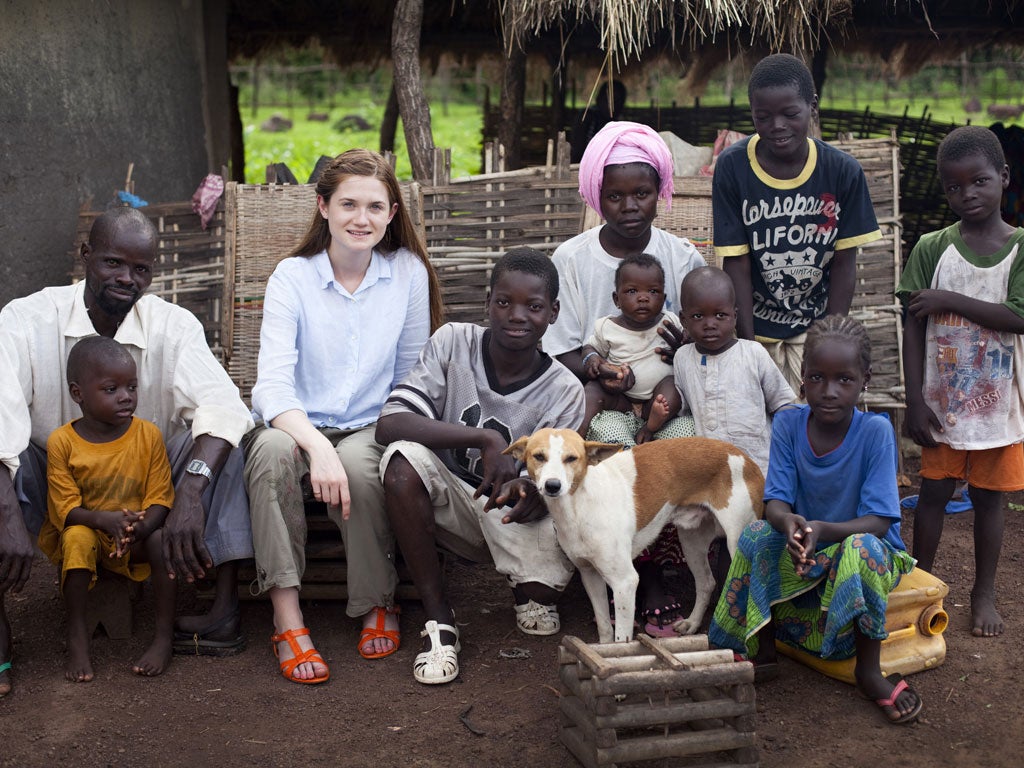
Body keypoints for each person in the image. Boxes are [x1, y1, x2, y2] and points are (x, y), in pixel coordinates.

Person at [0, 207, 254, 698]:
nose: (127, 279)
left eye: (141, 269)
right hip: (55, 481)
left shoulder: (172, 325)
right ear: (85, 256)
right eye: (114, 263)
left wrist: (193, 492)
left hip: (145, 484)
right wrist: (7, 511)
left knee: (223, 443)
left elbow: (224, 405)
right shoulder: (26, 319)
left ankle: (222, 608)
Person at [243, 148, 444, 683]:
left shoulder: (406, 273)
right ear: (323, 207)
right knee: (267, 455)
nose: (362, 218)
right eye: (349, 204)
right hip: (296, 421)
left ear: (392, 214)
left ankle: (378, 600)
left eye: (375, 207)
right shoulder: (293, 276)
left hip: (372, 423)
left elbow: (411, 376)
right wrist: (316, 445)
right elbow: (272, 387)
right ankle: (288, 618)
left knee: (360, 466)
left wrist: (343, 447)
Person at [376, 247, 585, 685]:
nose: (517, 315)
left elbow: (557, 485)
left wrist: (529, 493)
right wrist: (483, 438)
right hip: (454, 497)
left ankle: (524, 588)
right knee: (400, 463)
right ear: (487, 301)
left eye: (534, 306)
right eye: (504, 302)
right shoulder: (454, 342)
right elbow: (390, 423)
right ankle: (440, 620)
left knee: (540, 598)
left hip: (512, 517)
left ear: (554, 313)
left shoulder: (565, 390)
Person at [709, 315, 922, 725]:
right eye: (816, 378)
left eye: (844, 380)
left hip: (868, 552)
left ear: (865, 381)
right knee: (755, 532)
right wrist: (788, 524)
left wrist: (821, 530)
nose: (828, 392)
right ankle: (760, 647)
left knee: (861, 548)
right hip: (810, 549)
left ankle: (869, 670)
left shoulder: (876, 431)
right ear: (802, 379)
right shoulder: (789, 423)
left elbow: (879, 522)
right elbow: (776, 503)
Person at [547, 120, 706, 632]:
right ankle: (635, 570)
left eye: (642, 192)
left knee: (672, 452)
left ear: (661, 192)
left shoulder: (681, 257)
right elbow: (558, 348)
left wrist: (689, 350)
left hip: (669, 398)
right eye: (614, 196)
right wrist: (597, 368)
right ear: (596, 196)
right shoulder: (571, 259)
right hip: (599, 402)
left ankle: (662, 566)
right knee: (618, 453)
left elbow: (712, 331)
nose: (629, 206)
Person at [897, 125, 1024, 638]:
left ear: (1004, 179)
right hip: (941, 406)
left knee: (991, 500)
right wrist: (913, 400)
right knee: (933, 494)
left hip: (999, 408)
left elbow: (1019, 316)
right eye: (953, 187)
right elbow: (912, 323)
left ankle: (983, 592)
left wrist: (948, 300)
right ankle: (918, 579)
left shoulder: (1020, 248)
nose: (966, 195)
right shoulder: (931, 248)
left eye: (979, 182)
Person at [713, 53, 882, 392]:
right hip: (755, 327)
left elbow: (844, 264)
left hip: (815, 327)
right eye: (763, 117)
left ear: (812, 106)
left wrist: (825, 343)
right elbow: (737, 263)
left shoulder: (842, 172)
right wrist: (748, 350)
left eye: (790, 114)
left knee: (818, 420)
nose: (777, 126)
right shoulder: (733, 168)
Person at [40, 337, 176, 681]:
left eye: (131, 386)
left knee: (162, 541)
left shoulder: (148, 436)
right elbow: (66, 510)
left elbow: (160, 498)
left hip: (135, 534)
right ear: (77, 393)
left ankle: (163, 637)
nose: (126, 396)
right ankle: (77, 635)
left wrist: (139, 528)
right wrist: (104, 520)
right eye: (111, 388)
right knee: (75, 539)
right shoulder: (62, 442)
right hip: (90, 529)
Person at [672, 266, 796, 475]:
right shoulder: (683, 358)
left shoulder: (753, 353)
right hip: (709, 476)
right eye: (698, 316)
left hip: (761, 469)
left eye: (720, 315)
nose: (710, 324)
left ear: (735, 316)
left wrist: (791, 453)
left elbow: (783, 405)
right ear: (683, 320)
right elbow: (683, 413)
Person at [578, 253, 687, 444]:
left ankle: (650, 427)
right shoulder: (606, 327)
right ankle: (574, 437)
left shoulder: (670, 322)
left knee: (673, 384)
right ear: (616, 299)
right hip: (621, 400)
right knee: (592, 390)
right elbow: (590, 348)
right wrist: (593, 360)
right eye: (632, 291)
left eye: (653, 292)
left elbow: (689, 345)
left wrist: (687, 343)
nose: (643, 298)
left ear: (664, 297)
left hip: (656, 403)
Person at [570, 79, 627, 164]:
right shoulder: (587, 117)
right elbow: (578, 149)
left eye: (617, 101)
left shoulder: (620, 126)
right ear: (599, 99)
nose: (613, 106)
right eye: (609, 100)